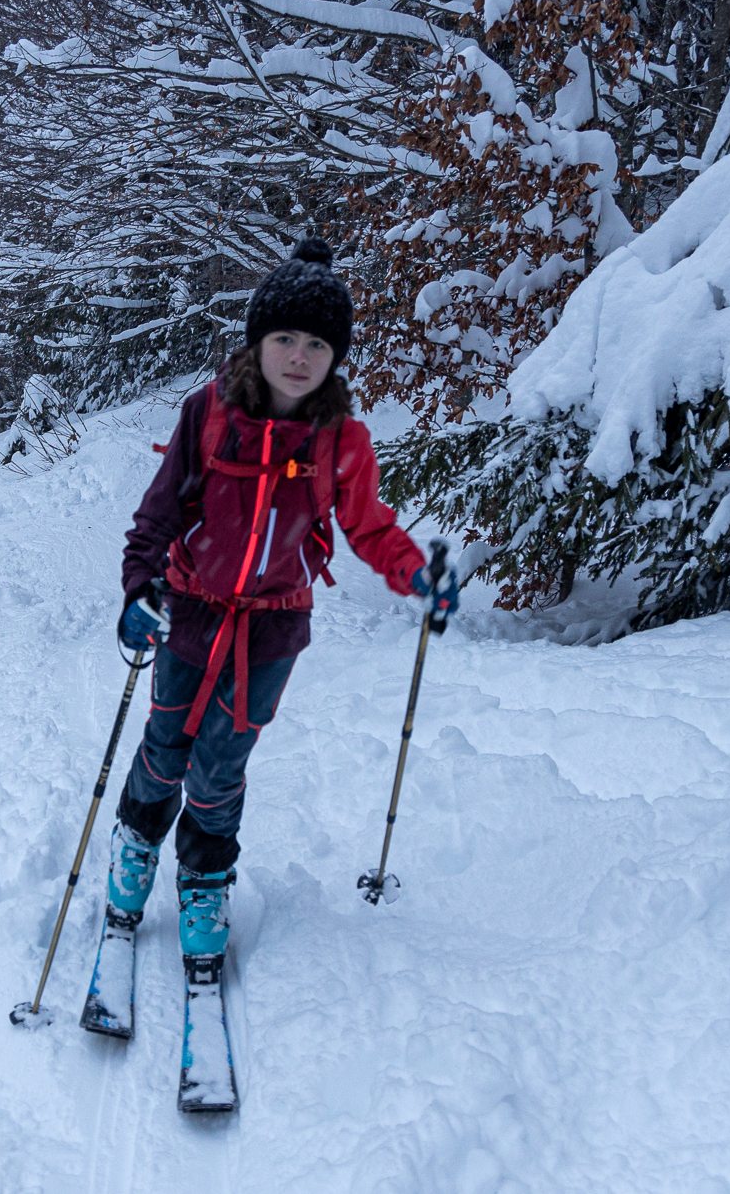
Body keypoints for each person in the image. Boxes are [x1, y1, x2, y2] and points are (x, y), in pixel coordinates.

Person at [108, 236, 460, 971]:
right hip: (189, 610)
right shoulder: (207, 412)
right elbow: (159, 510)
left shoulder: (341, 440)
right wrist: (139, 586)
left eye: (316, 344)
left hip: (272, 631)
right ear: (258, 341)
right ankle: (137, 841)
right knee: (166, 743)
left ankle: (204, 876)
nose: (299, 356)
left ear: (335, 357)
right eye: (284, 338)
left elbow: (370, 526)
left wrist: (413, 574)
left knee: (222, 763)